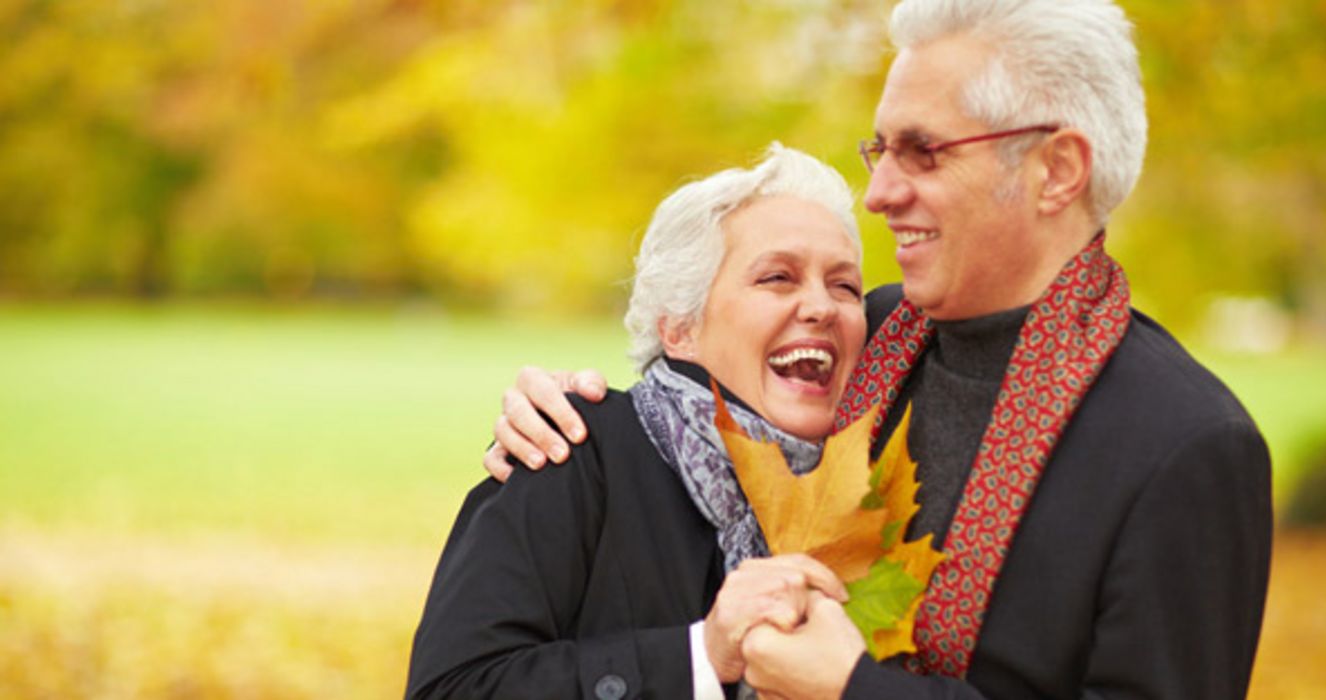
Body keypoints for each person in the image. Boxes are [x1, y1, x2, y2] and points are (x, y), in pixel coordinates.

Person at [484, 1, 1275, 698]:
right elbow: (694, 376)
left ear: (1055, 171)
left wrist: (853, 691)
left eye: (923, 152)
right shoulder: (868, 338)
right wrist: (556, 408)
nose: (879, 194)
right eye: (881, 151)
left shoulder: (1185, 446)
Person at [406, 144, 872, 699]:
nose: (822, 306)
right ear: (679, 329)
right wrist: (703, 656)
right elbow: (452, 690)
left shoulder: (883, 478)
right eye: (777, 278)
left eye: (845, 286)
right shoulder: (572, 447)